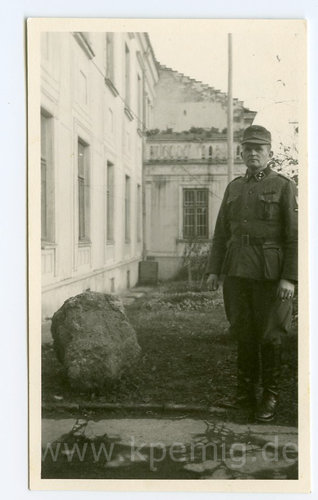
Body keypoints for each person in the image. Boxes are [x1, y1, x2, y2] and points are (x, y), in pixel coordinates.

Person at [206, 125, 298, 422]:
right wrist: (214, 270)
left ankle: (269, 396)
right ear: (241, 152)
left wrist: (289, 277)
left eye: (259, 148)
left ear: (270, 153)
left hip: (271, 275)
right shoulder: (234, 188)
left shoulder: (283, 186)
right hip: (236, 273)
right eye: (248, 148)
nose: (253, 153)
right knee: (243, 333)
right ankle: (245, 394)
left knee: (271, 336)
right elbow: (221, 233)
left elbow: (295, 236)